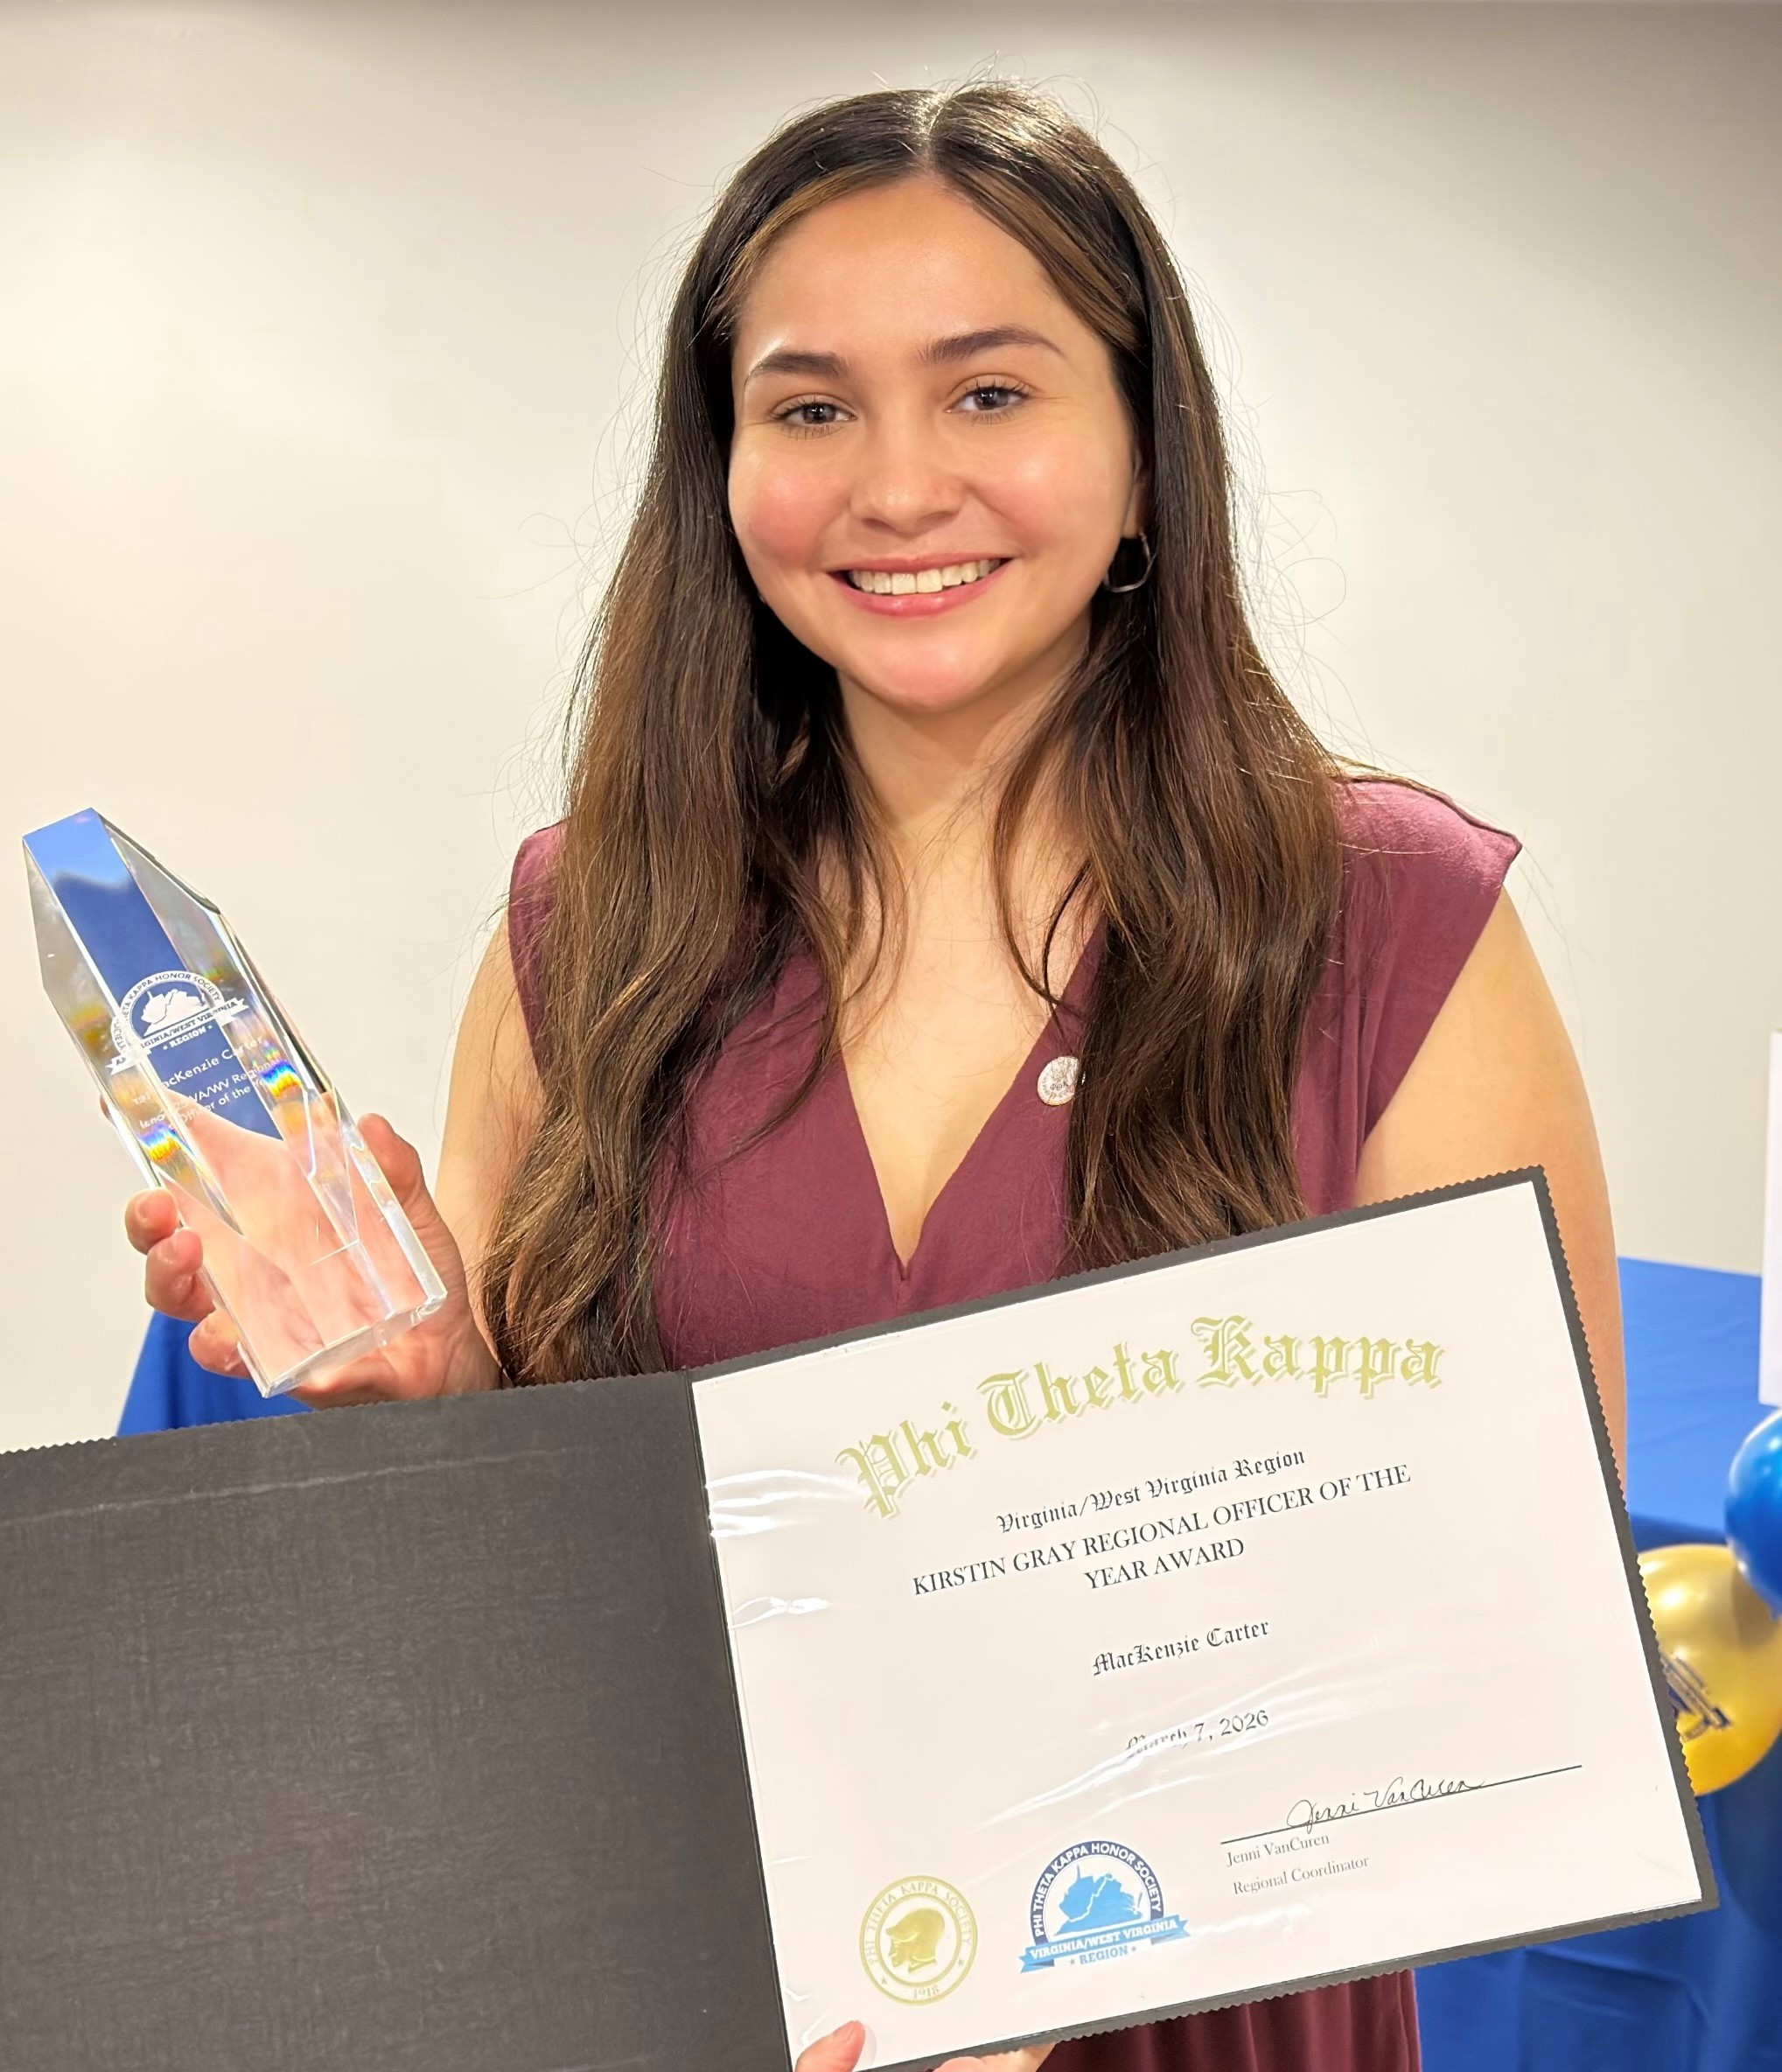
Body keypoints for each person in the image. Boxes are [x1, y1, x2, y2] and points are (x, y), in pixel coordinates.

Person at [124, 82, 1625, 2072]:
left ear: (1143, 456)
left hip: (1192, 2008)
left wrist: (1030, 1945)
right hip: (691, 1992)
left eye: (990, 394)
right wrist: (417, 1393)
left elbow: (1511, 1625)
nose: (896, 484)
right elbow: (492, 1583)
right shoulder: (587, 932)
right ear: (723, 467)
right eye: (810, 407)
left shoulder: (1386, 923)